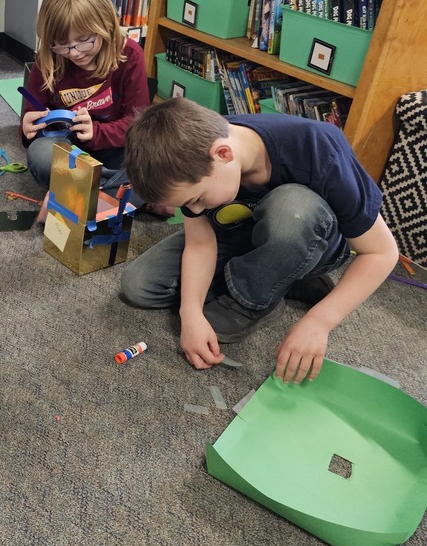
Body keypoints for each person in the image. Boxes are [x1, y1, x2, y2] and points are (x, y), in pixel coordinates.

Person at [119, 98, 398, 384]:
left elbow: (382, 253)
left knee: (293, 209)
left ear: (223, 154)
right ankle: (282, 279)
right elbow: (200, 245)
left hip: (311, 238)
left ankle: (255, 297)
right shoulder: (193, 156)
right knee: (139, 285)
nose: (196, 210)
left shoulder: (318, 147)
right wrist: (190, 313)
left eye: (197, 199)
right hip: (238, 231)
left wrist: (319, 322)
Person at [19, 0, 162, 215]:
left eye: (84, 40)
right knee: (40, 155)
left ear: (105, 24)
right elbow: (36, 127)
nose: (74, 52)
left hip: (114, 147)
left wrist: (97, 132)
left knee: (153, 159)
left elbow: (137, 124)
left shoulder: (129, 55)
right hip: (70, 150)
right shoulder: (48, 60)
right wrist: (27, 129)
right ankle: (120, 196)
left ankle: (76, 196)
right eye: (62, 44)